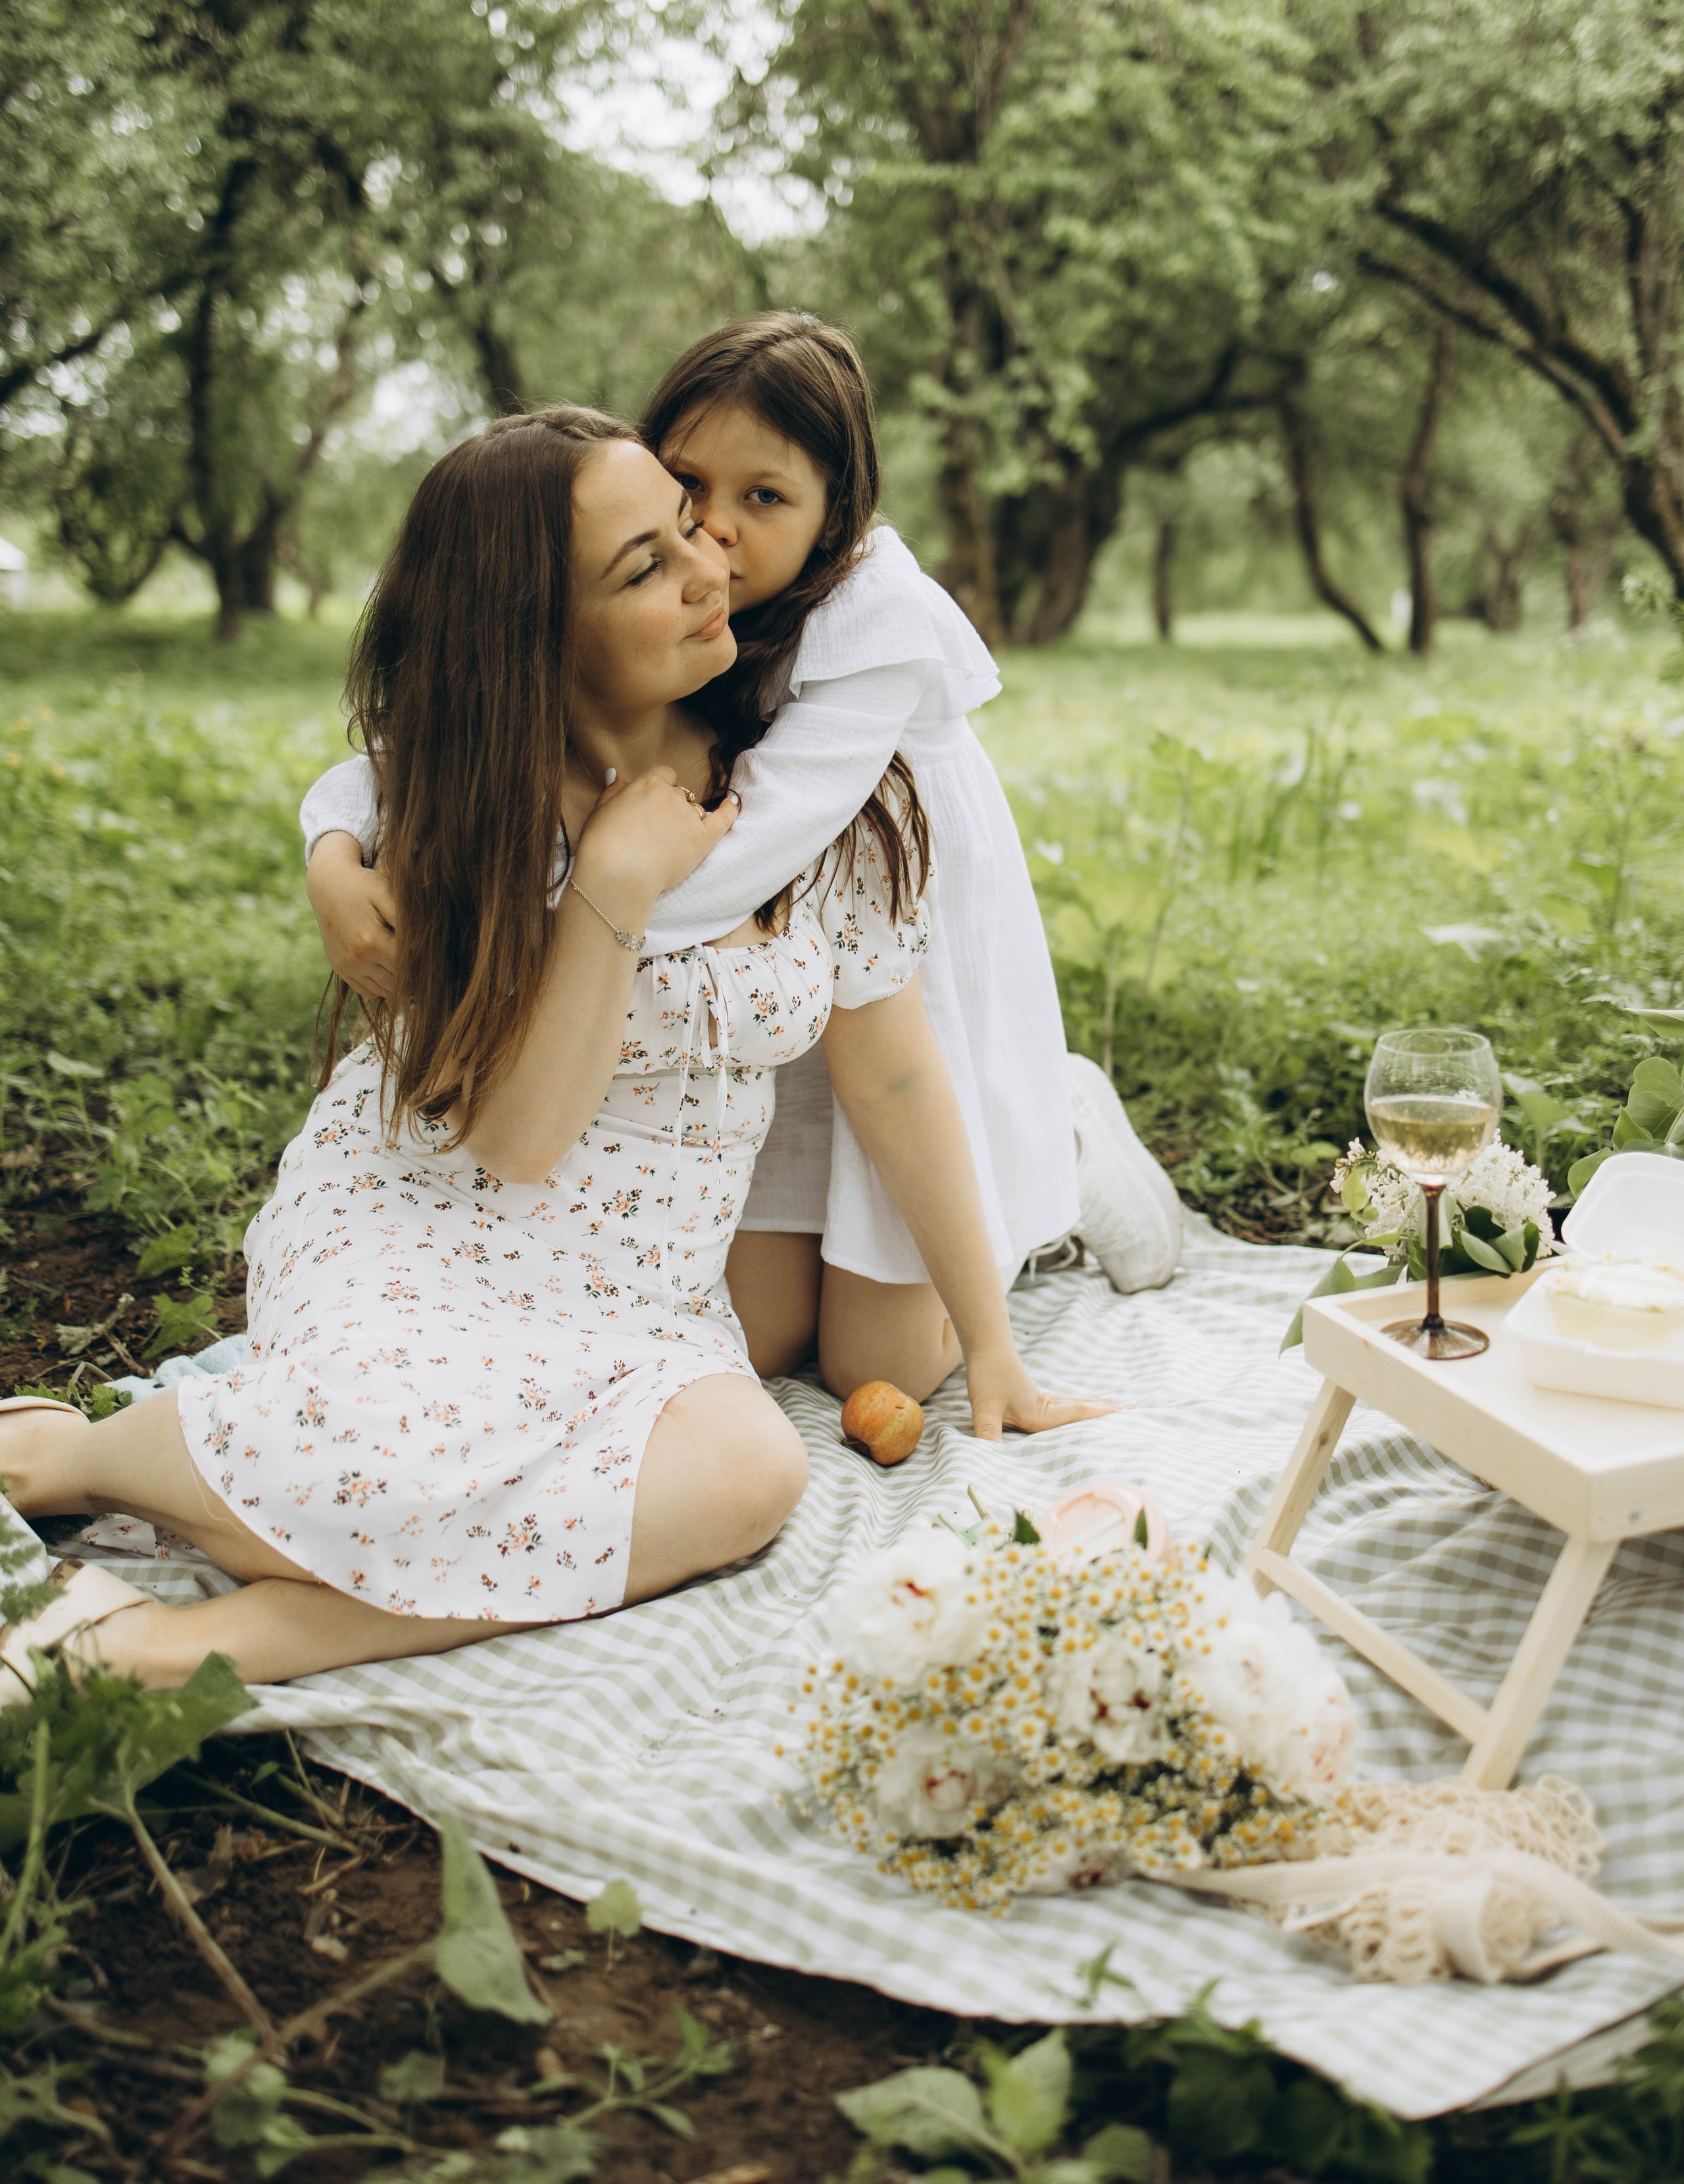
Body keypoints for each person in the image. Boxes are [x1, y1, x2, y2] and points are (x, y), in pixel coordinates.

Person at [0, 407, 1110, 1702]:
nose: (709, 568)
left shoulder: (814, 795)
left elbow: (897, 1074)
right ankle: (90, 1465)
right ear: (539, 633)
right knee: (382, 1446)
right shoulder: (474, 814)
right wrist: (612, 890)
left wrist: (993, 1351)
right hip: (430, 1229)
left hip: (639, 1289)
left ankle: (148, 1641)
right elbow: (517, 1141)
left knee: (749, 1475)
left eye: (688, 528)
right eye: (643, 567)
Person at [303, 316, 1182, 1412]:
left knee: (887, 1363)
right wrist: (334, 847)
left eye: (760, 502)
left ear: (832, 523)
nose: (712, 544)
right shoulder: (608, 699)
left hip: (858, 977)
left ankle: (1059, 1133)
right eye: (684, 495)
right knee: (758, 1338)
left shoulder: (835, 716)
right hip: (726, 1060)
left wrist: (997, 1353)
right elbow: (411, 754)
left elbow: (892, 1059)